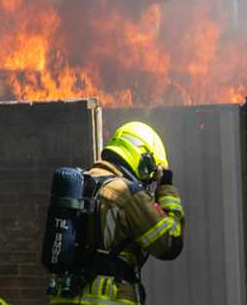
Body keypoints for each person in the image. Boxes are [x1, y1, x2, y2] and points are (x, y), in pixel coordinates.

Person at [50, 121, 185, 305]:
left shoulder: (80, 185)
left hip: (63, 298)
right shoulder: (128, 194)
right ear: (143, 161)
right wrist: (166, 188)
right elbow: (170, 244)